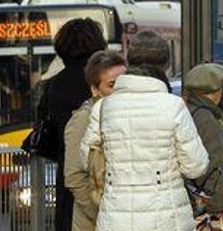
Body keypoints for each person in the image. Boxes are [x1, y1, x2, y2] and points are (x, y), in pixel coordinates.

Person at [80, 64, 209, 231]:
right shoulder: (173, 105)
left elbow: (86, 160)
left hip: (116, 216)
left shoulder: (103, 107)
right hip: (167, 217)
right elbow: (196, 167)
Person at [41, 18, 107, 231]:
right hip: (98, 180)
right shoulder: (102, 84)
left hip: (67, 177)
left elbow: (47, 126)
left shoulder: (54, 85)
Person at [63, 50, 127, 231]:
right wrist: (104, 214)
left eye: (124, 83)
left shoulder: (125, 114)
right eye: (112, 85)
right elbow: (74, 176)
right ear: (95, 89)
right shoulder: (84, 118)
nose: (119, 90)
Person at [184, 63, 223, 217]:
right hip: (209, 203)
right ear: (216, 92)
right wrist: (217, 207)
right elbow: (214, 165)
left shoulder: (192, 110)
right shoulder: (205, 117)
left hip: (200, 199)